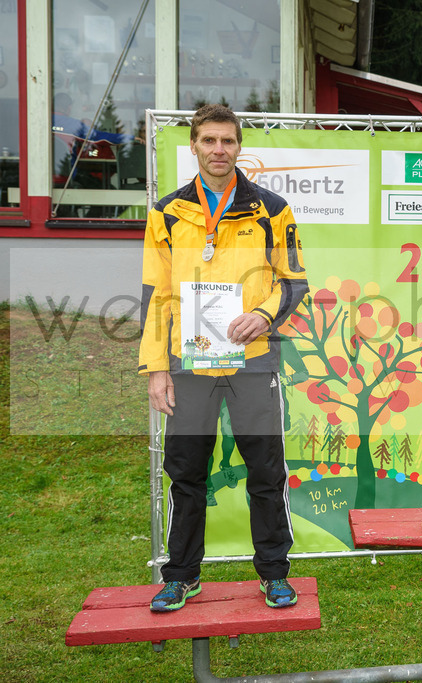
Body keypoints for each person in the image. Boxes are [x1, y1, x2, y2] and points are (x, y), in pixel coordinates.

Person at [139, 104, 308, 611]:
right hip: (189, 366)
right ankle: (181, 576)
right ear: (193, 145)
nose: (218, 151)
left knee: (266, 469)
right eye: (209, 141)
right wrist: (156, 368)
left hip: (254, 361)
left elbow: (294, 281)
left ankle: (274, 573)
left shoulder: (271, 209)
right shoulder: (167, 212)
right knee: (186, 470)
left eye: (228, 142)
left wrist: (264, 315)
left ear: (240, 147)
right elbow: (155, 294)